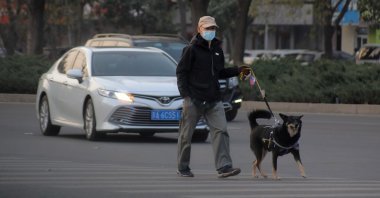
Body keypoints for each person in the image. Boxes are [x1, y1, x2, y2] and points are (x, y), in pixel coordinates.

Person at [176, 16, 251, 178]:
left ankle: (224, 167)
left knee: (221, 131)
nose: (210, 31)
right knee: (186, 135)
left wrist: (238, 70)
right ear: (199, 29)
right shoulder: (191, 49)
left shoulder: (217, 49)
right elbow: (181, 72)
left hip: (213, 99)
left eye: (213, 28)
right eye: (207, 28)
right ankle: (183, 167)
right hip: (194, 99)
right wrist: (186, 95)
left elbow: (220, 73)